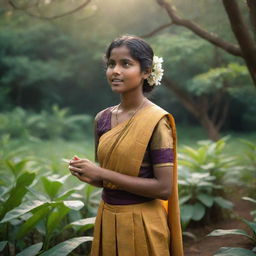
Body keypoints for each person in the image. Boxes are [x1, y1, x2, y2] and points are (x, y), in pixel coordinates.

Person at [68, 35, 183, 256]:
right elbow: (109, 180)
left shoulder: (157, 121)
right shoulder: (102, 119)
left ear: (146, 71)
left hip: (143, 222)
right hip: (107, 218)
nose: (115, 71)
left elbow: (164, 188)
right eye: (111, 64)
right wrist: (90, 175)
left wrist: (100, 172)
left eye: (126, 64)